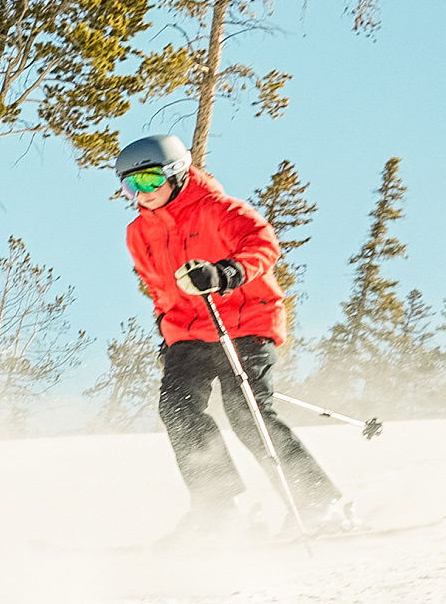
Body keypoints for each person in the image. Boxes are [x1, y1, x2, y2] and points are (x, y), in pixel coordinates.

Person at [113, 133, 347, 540]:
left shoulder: (218, 209)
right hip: (187, 333)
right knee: (177, 409)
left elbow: (262, 243)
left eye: (150, 181)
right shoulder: (138, 233)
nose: (142, 193)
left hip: (245, 322)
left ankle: (318, 504)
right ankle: (219, 508)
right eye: (131, 185)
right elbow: (159, 290)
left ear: (177, 173)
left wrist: (227, 272)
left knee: (246, 412)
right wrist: (165, 332)